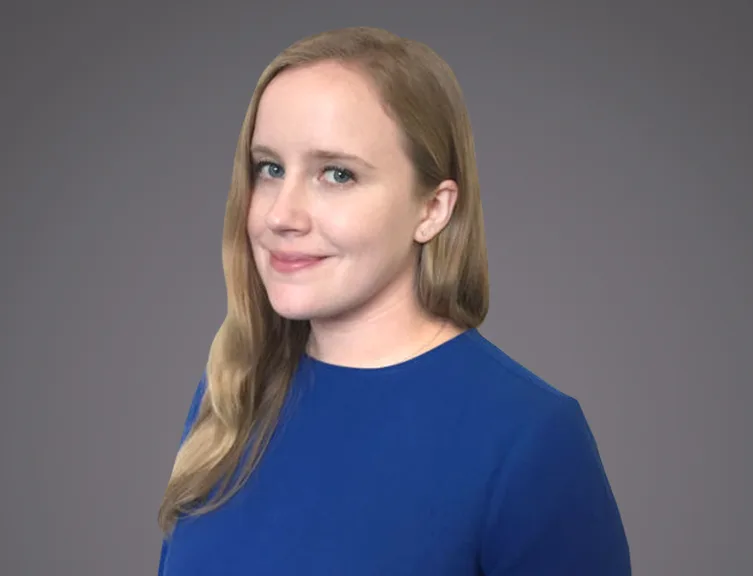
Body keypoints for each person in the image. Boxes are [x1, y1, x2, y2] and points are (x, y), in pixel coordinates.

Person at [156, 26, 631, 575]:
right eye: (270, 168)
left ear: (432, 209)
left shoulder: (529, 438)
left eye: (337, 174)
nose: (281, 215)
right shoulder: (232, 393)